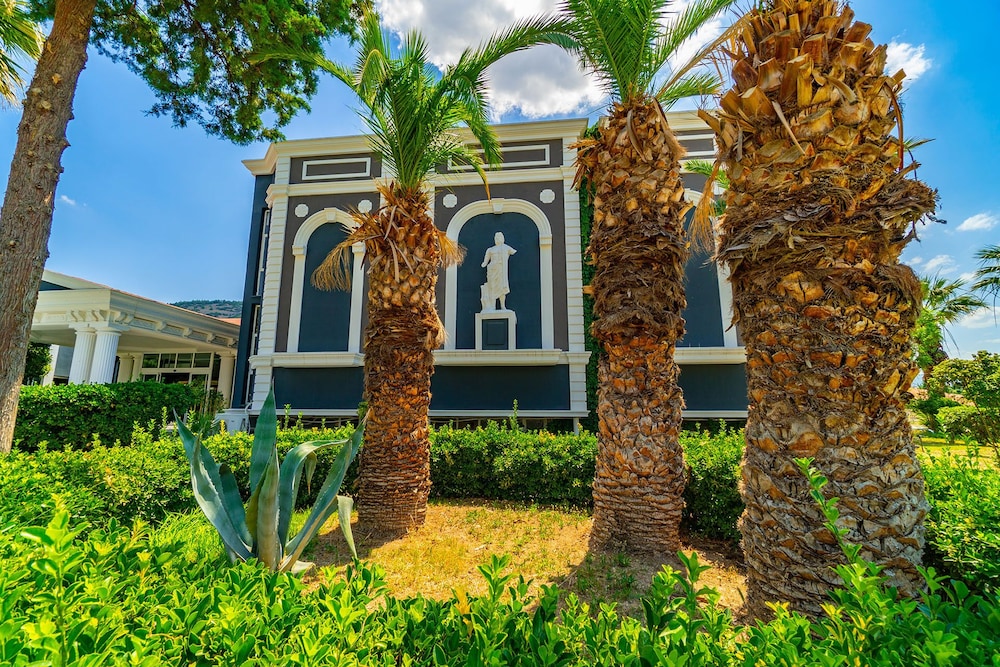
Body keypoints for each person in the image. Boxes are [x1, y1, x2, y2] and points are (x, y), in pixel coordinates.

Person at [480, 231, 516, 311]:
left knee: (502, 288)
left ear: (502, 238)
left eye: (499, 237)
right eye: (496, 237)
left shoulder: (506, 248)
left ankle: (503, 306)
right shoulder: (490, 250)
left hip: (501, 271)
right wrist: (484, 264)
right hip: (492, 271)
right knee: (492, 288)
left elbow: (513, 251)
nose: (497, 239)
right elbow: (485, 261)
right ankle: (492, 306)